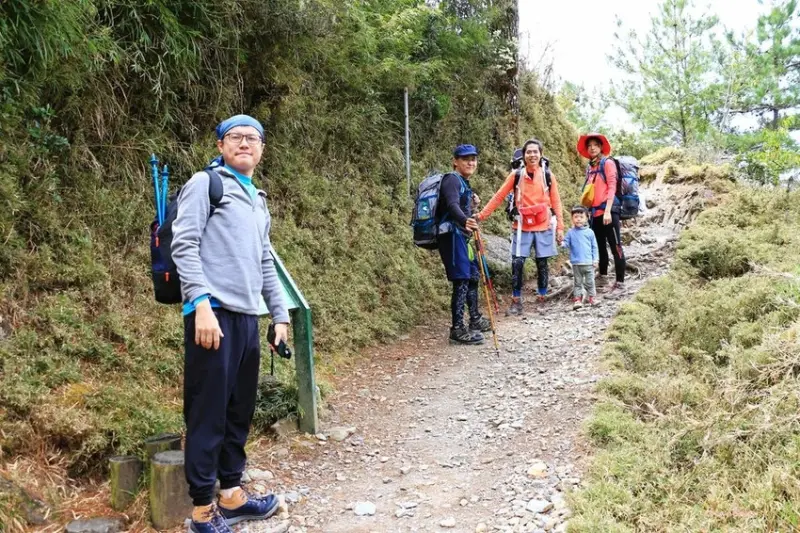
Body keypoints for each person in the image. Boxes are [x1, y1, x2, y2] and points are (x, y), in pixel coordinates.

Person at [171, 114, 289, 532]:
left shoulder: (256, 198)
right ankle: (202, 511)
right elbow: (183, 243)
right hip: (212, 316)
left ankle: (233, 496)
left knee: (239, 410)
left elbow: (265, 261)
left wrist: (279, 316)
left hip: (246, 318)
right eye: (235, 137)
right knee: (208, 413)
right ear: (220, 145)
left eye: (252, 138)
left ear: (262, 149)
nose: (244, 143)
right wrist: (199, 304)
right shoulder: (206, 185)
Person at [475, 138, 564, 315]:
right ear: (523, 156)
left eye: (535, 152)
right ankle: (516, 301)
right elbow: (499, 196)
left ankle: (542, 298)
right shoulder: (516, 175)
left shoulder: (548, 175)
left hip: (544, 225)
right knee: (517, 262)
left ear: (541, 154)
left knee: (542, 263)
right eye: (528, 152)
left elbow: (556, 202)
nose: (532, 155)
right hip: (521, 226)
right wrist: (482, 215)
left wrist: (560, 227)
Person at [437, 144, 492, 345]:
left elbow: (459, 207)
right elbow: (451, 205)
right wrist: (465, 220)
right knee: (461, 279)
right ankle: (457, 329)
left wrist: (473, 208)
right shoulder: (451, 179)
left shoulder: (464, 183)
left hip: (462, 236)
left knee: (472, 276)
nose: (471, 162)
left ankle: (474, 319)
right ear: (455, 161)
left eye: (473, 159)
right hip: (452, 236)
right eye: (465, 159)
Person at [577, 133, 626, 290]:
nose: (592, 148)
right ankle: (603, 276)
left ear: (601, 147)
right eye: (589, 145)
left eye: (595, 145)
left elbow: (612, 186)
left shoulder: (608, 163)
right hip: (594, 213)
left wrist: (608, 211)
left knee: (615, 245)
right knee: (599, 246)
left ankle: (620, 282)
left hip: (609, 212)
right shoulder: (591, 167)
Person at [561, 206, 599, 309]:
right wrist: (561, 242)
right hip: (576, 263)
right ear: (572, 218)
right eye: (576, 217)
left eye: (581, 217)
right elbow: (566, 243)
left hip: (588, 263)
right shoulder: (570, 232)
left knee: (590, 282)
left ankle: (592, 298)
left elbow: (594, 247)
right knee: (578, 282)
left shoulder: (590, 232)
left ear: (587, 218)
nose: (578, 219)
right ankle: (577, 300)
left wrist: (595, 259)